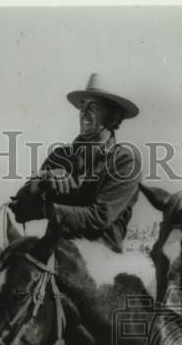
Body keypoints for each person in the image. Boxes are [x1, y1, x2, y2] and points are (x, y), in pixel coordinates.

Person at [9, 73, 142, 252]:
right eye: (82, 106)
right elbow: (20, 210)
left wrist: (49, 209)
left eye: (93, 106)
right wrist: (38, 185)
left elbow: (100, 217)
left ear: (111, 116)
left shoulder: (125, 160)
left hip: (100, 258)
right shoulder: (60, 155)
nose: (83, 112)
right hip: (56, 252)